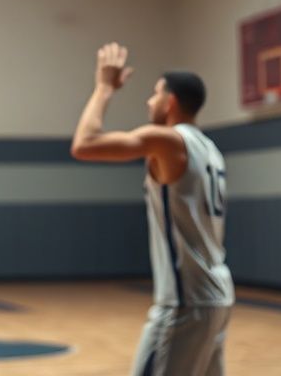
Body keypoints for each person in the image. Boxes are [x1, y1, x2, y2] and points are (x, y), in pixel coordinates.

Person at [71, 43, 234, 376]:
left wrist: (103, 88)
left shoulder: (169, 141)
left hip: (185, 302)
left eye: (155, 93)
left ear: (170, 101)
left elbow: (84, 145)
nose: (149, 101)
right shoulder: (210, 149)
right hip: (217, 295)